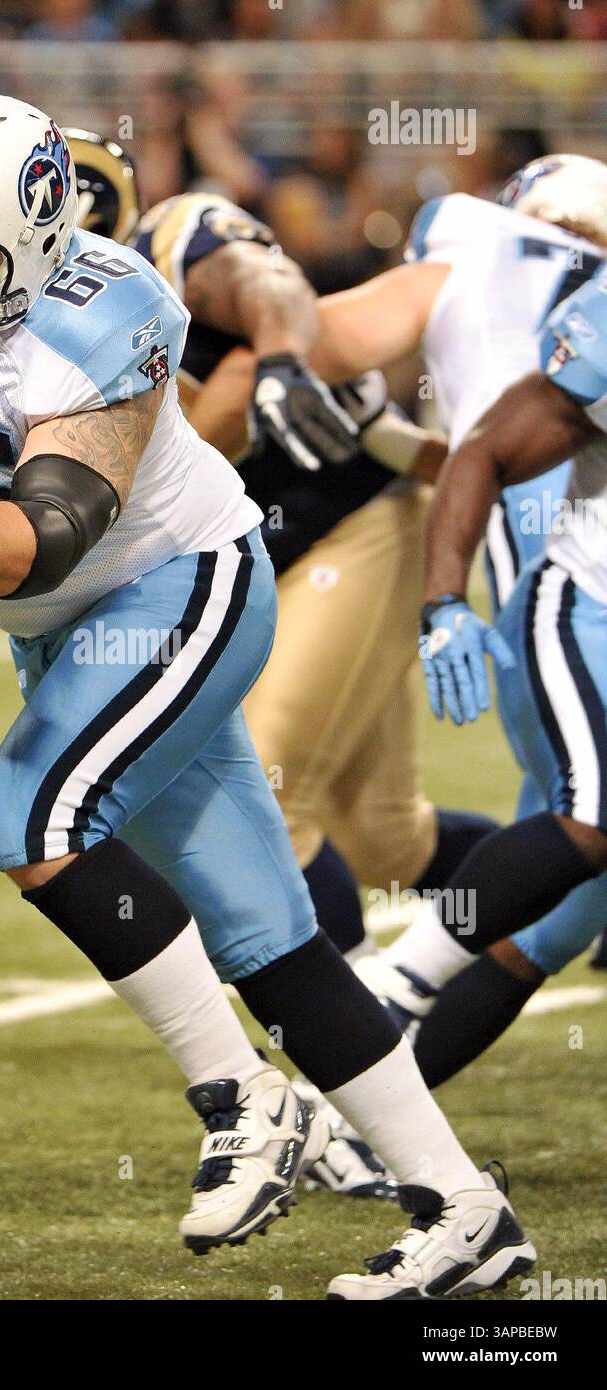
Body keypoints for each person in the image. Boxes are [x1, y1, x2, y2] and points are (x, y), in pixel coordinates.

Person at [0, 94, 535, 1297]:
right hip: (60, 633)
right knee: (270, 936)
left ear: (35, 248)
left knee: (28, 817)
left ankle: (242, 1097)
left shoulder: (111, 316)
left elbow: (46, 534)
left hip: (170, 588)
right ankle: (464, 1209)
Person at [303, 153, 607, 1087]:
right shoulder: (517, 269)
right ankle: (394, 982)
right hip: (571, 595)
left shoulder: (490, 262)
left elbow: (324, 355)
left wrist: (366, 421)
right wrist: (444, 603)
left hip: (514, 566)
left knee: (546, 928)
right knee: (590, 816)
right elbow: (489, 447)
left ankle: (373, 1118)